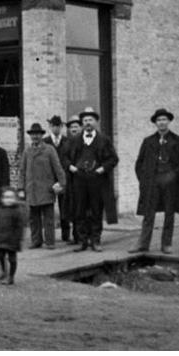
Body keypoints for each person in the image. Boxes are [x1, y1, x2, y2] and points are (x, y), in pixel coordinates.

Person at [131, 108, 179, 254]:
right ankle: (143, 244)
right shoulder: (148, 141)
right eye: (159, 120)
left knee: (169, 213)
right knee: (148, 213)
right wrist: (144, 181)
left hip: (171, 183)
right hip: (152, 183)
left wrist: (174, 175)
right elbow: (139, 164)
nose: (162, 122)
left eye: (164, 119)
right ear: (155, 123)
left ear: (169, 121)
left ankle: (166, 244)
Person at [63, 107, 119, 251]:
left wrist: (102, 168)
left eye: (90, 120)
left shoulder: (104, 140)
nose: (87, 123)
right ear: (82, 123)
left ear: (96, 122)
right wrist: (71, 167)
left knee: (96, 210)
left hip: (97, 180)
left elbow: (113, 159)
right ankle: (82, 241)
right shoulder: (75, 140)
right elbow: (64, 158)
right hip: (79, 180)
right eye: (85, 120)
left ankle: (95, 240)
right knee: (79, 210)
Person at [16, 122, 65, 249]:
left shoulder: (49, 150)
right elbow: (22, 171)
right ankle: (36, 241)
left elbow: (58, 168)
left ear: (41, 135)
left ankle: (50, 242)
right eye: (33, 135)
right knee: (33, 218)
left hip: (46, 189)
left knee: (48, 218)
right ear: (30, 136)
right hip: (31, 189)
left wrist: (62, 183)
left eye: (37, 134)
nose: (35, 137)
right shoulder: (27, 151)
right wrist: (21, 188)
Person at [0, 188, 28, 286]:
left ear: (15, 198)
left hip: (12, 240)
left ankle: (11, 277)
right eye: (6, 197)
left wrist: (18, 238)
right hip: (0, 238)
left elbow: (20, 227)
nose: (9, 200)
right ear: (2, 199)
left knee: (12, 259)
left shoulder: (17, 212)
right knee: (0, 256)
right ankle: (3, 272)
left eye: (11, 197)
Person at [46, 115, 72, 243]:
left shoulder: (67, 141)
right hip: (49, 179)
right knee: (48, 208)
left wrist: (63, 180)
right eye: (53, 126)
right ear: (50, 127)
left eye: (58, 126)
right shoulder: (45, 142)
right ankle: (49, 236)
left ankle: (65, 234)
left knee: (64, 207)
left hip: (63, 179)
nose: (56, 129)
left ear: (61, 127)